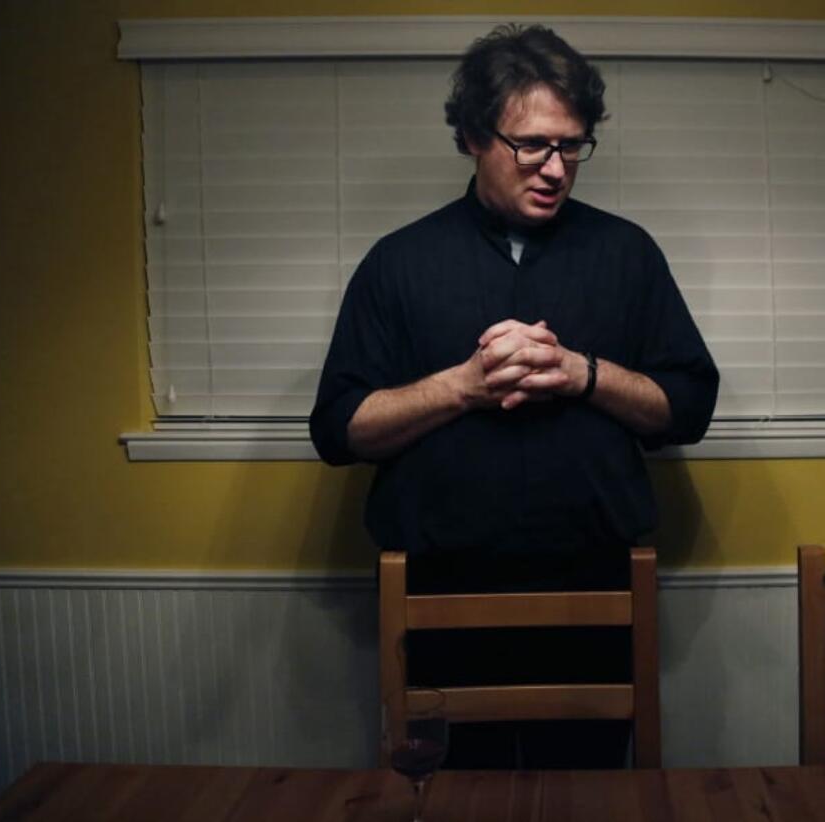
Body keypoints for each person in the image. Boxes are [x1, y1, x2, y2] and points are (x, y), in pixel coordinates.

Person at [309, 24, 719, 767]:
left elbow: (688, 408)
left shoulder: (627, 254)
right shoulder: (398, 262)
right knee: (457, 793)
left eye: (572, 145)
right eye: (531, 144)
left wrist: (582, 374)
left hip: (594, 589)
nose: (555, 168)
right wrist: (461, 387)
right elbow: (339, 431)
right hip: (441, 592)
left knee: (589, 792)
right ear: (472, 136)